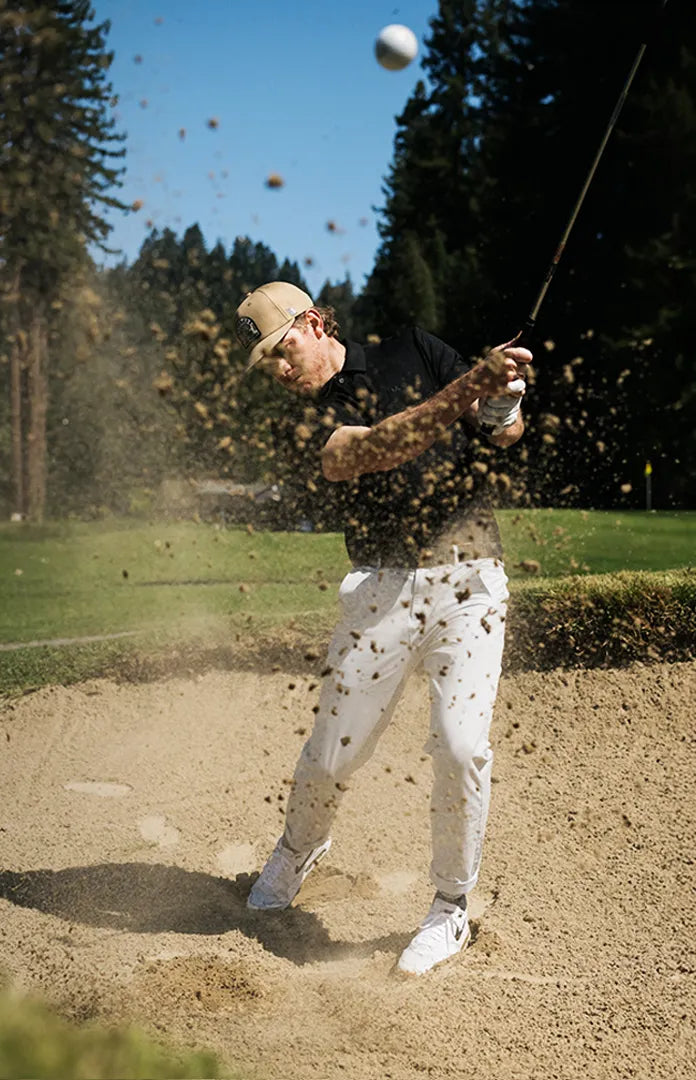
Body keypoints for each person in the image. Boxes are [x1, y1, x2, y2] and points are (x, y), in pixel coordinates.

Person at [233, 281, 531, 976]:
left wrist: (502, 403)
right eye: (267, 365)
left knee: (460, 747)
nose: (279, 371)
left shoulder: (415, 350)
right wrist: (468, 394)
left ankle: (451, 906)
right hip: (380, 590)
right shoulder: (299, 422)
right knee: (331, 758)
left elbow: (505, 432)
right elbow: (376, 450)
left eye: (281, 352)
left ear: (312, 323)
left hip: (469, 579)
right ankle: (300, 847)